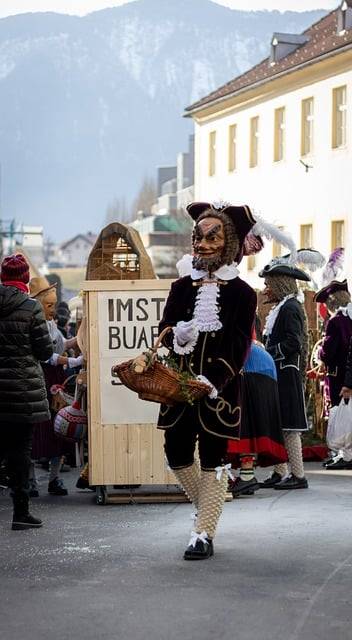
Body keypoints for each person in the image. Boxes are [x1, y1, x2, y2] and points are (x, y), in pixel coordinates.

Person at [156, 202, 257, 560]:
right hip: (179, 388)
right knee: (176, 453)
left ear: (228, 242)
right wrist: (174, 335)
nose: (202, 243)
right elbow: (164, 328)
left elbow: (239, 344)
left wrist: (213, 380)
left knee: (215, 459)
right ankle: (208, 509)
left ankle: (203, 533)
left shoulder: (243, 294)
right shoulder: (182, 286)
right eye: (198, 236)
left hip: (219, 391)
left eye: (212, 236)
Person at [0, 254, 53, 529]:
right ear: (24, 280)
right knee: (20, 453)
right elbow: (45, 351)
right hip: (22, 392)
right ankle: (20, 514)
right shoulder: (31, 308)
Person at [258, 257, 310, 490]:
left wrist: (267, 352)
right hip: (278, 373)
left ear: (279, 285)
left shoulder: (290, 308)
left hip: (287, 373)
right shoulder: (283, 307)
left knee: (289, 426)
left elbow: (293, 343)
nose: (265, 289)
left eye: (269, 284)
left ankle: (298, 476)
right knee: (278, 424)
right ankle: (280, 473)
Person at [29, 277, 82, 496]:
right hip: (39, 380)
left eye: (53, 304)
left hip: (56, 381)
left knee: (59, 429)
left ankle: (54, 478)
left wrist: (81, 339)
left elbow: (60, 346)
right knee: (35, 433)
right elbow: (46, 355)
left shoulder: (51, 324)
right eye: (48, 305)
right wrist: (71, 361)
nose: (52, 309)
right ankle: (31, 481)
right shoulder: (32, 323)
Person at [227, 339, 287, 496]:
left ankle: (244, 478)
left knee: (243, 425)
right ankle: (246, 476)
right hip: (262, 363)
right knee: (252, 425)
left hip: (248, 365)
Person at [314, 280, 352, 469]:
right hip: (349, 372)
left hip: (338, 375)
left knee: (339, 414)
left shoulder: (336, 321)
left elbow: (329, 351)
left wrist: (319, 352)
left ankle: (345, 455)